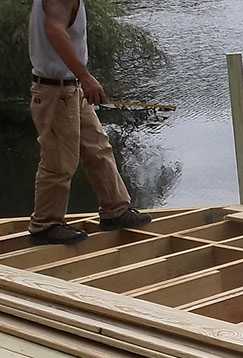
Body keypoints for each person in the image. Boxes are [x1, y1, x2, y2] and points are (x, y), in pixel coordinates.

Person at [28, 0, 151, 245]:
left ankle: (115, 210)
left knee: (97, 147)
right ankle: (46, 224)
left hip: (69, 89)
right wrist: (85, 76)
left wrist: (80, 79)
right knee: (59, 160)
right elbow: (54, 29)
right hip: (57, 92)